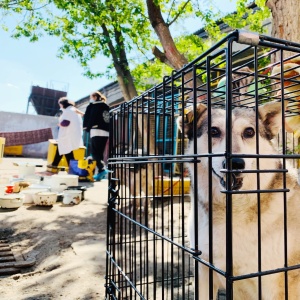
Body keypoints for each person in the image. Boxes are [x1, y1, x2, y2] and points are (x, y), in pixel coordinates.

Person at [48, 97, 84, 169]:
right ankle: (55, 164)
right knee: (63, 148)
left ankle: (74, 168)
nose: (59, 106)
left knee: (66, 149)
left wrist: (59, 124)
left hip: (67, 134)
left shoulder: (68, 111)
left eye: (60, 104)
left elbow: (66, 122)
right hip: (72, 133)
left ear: (62, 104)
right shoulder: (73, 110)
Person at [83, 91, 110, 181]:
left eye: (91, 97)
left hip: (96, 130)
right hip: (105, 131)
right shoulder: (106, 106)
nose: (90, 98)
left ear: (94, 97)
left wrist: (87, 128)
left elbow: (91, 118)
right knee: (99, 153)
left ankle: (102, 169)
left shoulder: (93, 106)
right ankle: (99, 174)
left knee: (94, 152)